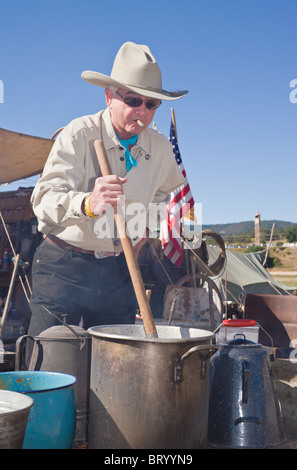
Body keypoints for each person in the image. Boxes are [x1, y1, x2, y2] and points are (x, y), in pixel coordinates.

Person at [26, 41, 188, 361]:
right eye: (132, 100)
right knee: (52, 367)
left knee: (114, 368)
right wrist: (88, 203)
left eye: (151, 103)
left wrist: (144, 226)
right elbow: (42, 201)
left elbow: (165, 194)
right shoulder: (78, 134)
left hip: (118, 269)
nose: (141, 110)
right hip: (64, 267)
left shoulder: (160, 150)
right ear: (109, 96)